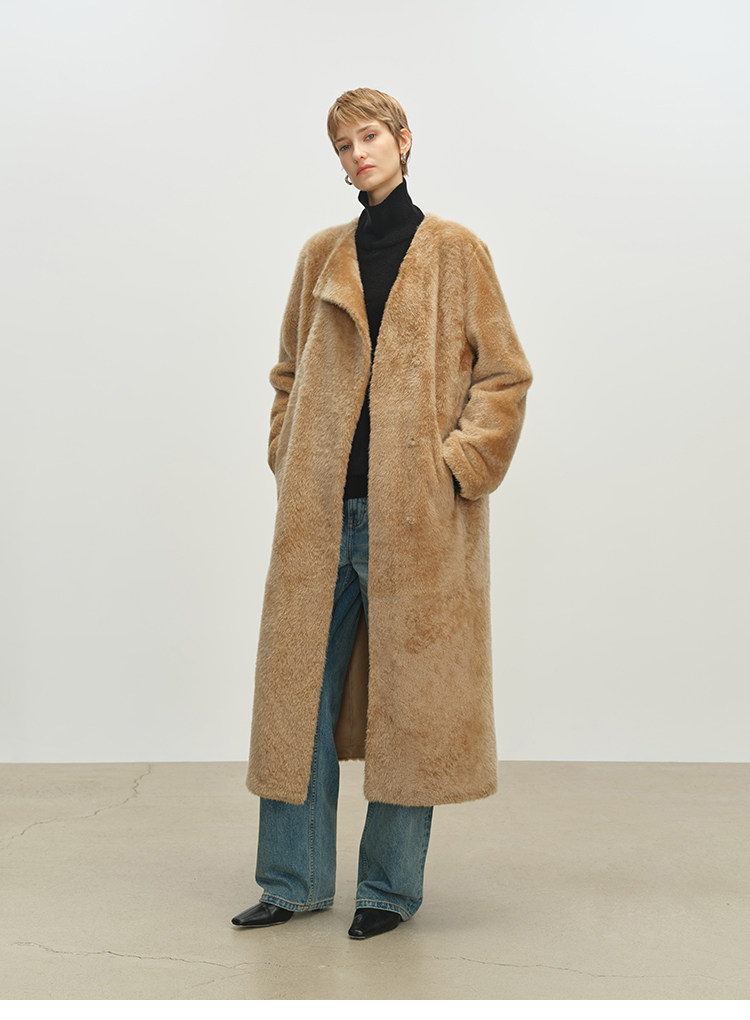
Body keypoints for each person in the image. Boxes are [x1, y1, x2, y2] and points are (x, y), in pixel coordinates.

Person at [232, 88, 533, 940]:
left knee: (412, 707)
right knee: (297, 701)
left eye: (368, 136)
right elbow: (287, 374)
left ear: (403, 141)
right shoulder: (320, 256)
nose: (356, 153)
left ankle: (388, 891)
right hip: (318, 517)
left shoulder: (455, 250)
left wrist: (457, 470)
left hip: (416, 520)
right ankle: (293, 881)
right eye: (342, 144)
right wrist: (288, 453)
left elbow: (504, 375)